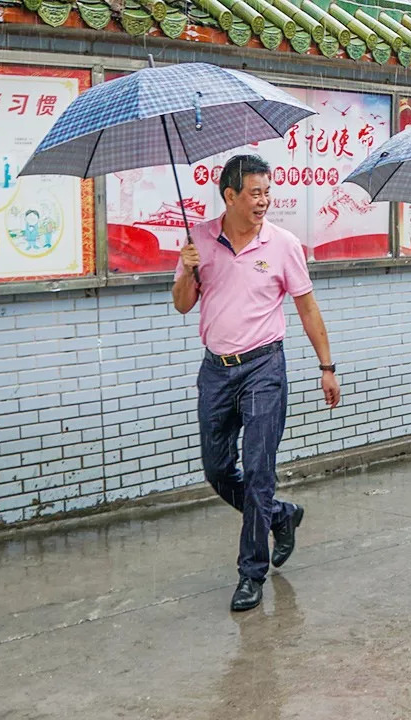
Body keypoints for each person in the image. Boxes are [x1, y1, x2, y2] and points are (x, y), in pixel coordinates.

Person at [173, 154, 340, 612]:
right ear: (230, 195)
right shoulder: (199, 239)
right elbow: (182, 305)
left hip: (265, 367)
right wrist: (188, 269)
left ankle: (252, 573)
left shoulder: (283, 244)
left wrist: (326, 366)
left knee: (260, 468)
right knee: (217, 469)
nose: (265, 201)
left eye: (268, 191)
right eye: (255, 193)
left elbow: (307, 308)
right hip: (216, 370)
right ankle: (282, 515)